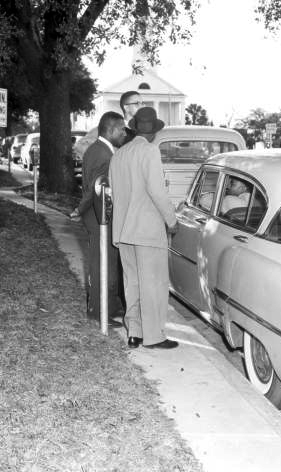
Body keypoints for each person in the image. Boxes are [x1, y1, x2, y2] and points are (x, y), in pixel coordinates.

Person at [109, 107, 179, 350]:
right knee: (154, 284)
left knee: (133, 283)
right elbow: (157, 191)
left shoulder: (119, 154)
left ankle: (134, 333)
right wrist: (171, 220)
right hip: (147, 230)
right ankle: (154, 336)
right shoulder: (150, 151)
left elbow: (115, 192)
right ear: (153, 133)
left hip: (124, 230)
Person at [78, 112, 127, 326]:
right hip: (99, 218)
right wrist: (79, 210)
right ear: (111, 129)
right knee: (101, 265)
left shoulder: (100, 149)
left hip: (100, 216)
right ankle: (98, 312)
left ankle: (111, 305)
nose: (124, 133)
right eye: (122, 129)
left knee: (108, 263)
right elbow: (94, 190)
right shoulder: (103, 154)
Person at [70, 90, 144, 218]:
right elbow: (81, 147)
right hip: (105, 206)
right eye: (137, 103)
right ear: (126, 107)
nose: (142, 106)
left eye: (143, 103)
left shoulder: (139, 131)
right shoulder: (105, 128)